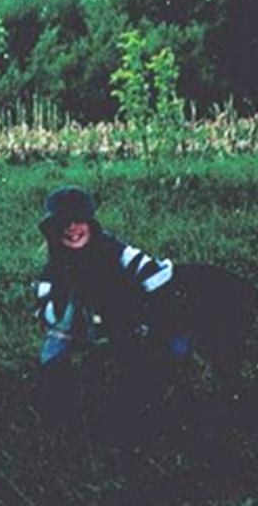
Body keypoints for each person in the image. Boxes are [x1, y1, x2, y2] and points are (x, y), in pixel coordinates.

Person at [33, 185, 256, 437]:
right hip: (81, 330)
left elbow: (158, 279)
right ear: (53, 229)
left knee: (162, 351)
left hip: (129, 326)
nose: (71, 228)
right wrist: (70, 292)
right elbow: (52, 319)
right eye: (63, 223)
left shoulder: (117, 252)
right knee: (56, 368)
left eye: (78, 221)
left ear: (90, 222)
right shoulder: (52, 272)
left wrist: (148, 318)